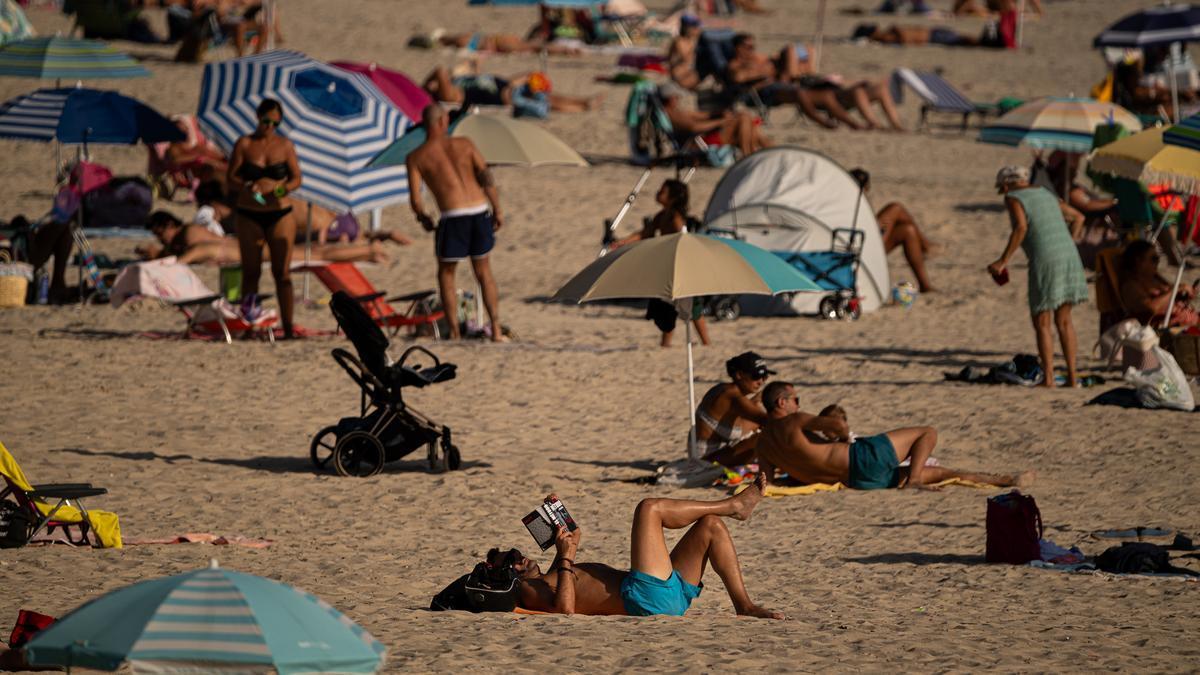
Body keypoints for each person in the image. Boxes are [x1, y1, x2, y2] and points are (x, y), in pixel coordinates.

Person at [502, 481, 782, 618]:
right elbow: (564, 610)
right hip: (645, 597)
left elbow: (567, 565)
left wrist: (562, 527)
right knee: (649, 508)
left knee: (711, 526)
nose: (521, 557)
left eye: (516, 552)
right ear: (511, 575)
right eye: (513, 560)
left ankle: (743, 606)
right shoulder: (526, 588)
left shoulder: (551, 576)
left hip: (662, 591)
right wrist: (565, 555)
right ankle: (733, 506)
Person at [756, 381, 1036, 490]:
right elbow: (837, 424)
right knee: (927, 433)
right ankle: (915, 480)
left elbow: (768, 482)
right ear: (782, 402)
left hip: (858, 481)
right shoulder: (795, 420)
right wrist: (840, 436)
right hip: (862, 457)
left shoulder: (763, 445)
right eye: (796, 399)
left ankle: (1005, 480)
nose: (798, 404)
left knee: (941, 473)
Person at [406, 105, 505, 341]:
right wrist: (497, 209)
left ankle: (455, 331)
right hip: (479, 210)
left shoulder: (416, 157)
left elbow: (416, 200)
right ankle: (496, 328)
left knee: (447, 274)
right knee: (484, 272)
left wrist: (424, 218)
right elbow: (485, 176)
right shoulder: (465, 144)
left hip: (452, 216)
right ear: (444, 121)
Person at [988, 166, 1088, 388]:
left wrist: (1003, 261)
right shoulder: (1046, 193)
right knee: (1064, 321)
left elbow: (1021, 228)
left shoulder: (1014, 197)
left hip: (1045, 259)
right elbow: (1078, 217)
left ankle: (1049, 378)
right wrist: (1067, 241)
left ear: (1006, 185)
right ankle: (1072, 377)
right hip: (1069, 255)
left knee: (1042, 321)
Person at [227, 98, 302, 338]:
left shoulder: (285, 146)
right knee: (251, 272)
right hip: (249, 213)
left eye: (275, 123)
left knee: (283, 274)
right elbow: (231, 178)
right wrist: (247, 186)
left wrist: (279, 189)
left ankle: (288, 327)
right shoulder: (245, 144)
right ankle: (249, 326)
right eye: (266, 121)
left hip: (279, 212)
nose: (269, 127)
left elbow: (297, 179)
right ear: (258, 118)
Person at [610, 179, 712, 348]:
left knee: (693, 307)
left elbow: (683, 239)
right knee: (668, 305)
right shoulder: (662, 215)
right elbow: (645, 233)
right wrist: (622, 242)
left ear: (673, 197)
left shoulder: (675, 217)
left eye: (663, 191)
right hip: (668, 265)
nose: (658, 192)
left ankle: (706, 343)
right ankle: (666, 344)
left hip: (680, 265)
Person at [726, 34, 863, 130]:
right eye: (749, 47)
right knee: (800, 93)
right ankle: (823, 122)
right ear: (738, 48)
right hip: (764, 92)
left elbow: (774, 64)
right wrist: (765, 72)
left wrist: (777, 65)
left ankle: (851, 123)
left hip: (782, 84)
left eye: (753, 47)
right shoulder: (735, 64)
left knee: (826, 93)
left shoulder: (759, 58)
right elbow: (738, 78)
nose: (752, 50)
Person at [850, 168, 936, 292]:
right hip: (860, 251)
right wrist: (874, 226)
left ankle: (925, 286)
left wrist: (874, 226)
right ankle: (926, 246)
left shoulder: (856, 201)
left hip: (867, 243)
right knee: (896, 208)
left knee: (908, 230)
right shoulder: (847, 203)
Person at [693, 351, 773, 466]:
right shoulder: (731, 396)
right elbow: (767, 420)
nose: (761, 382)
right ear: (739, 375)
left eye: (764, 376)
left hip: (717, 452)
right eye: (756, 376)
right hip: (705, 461)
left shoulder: (726, 390)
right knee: (766, 437)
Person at [423, 66, 599, 114]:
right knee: (547, 103)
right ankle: (581, 106)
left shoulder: (457, 82)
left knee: (548, 97)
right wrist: (423, 88)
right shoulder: (451, 94)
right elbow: (440, 70)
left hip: (506, 86)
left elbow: (471, 74)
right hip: (504, 95)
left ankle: (583, 102)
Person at [658, 83, 772, 157]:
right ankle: (751, 154)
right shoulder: (672, 115)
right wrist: (721, 122)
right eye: (676, 97)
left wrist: (719, 113)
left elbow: (702, 115)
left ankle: (766, 151)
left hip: (706, 137)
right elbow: (694, 128)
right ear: (669, 98)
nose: (678, 99)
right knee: (743, 119)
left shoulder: (678, 111)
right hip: (701, 143)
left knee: (744, 117)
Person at [1119, 239, 1200, 328]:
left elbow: (1170, 296)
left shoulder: (1155, 278)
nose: (1158, 262)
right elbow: (1151, 308)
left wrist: (1184, 296)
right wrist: (1177, 288)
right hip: (1166, 328)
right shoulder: (1131, 286)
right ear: (1138, 261)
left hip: (1185, 319)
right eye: (1154, 259)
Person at [667, 14, 703, 89]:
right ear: (687, 28)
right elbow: (686, 58)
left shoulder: (693, 40)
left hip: (688, 73)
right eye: (695, 27)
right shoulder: (679, 41)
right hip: (681, 76)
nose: (698, 30)